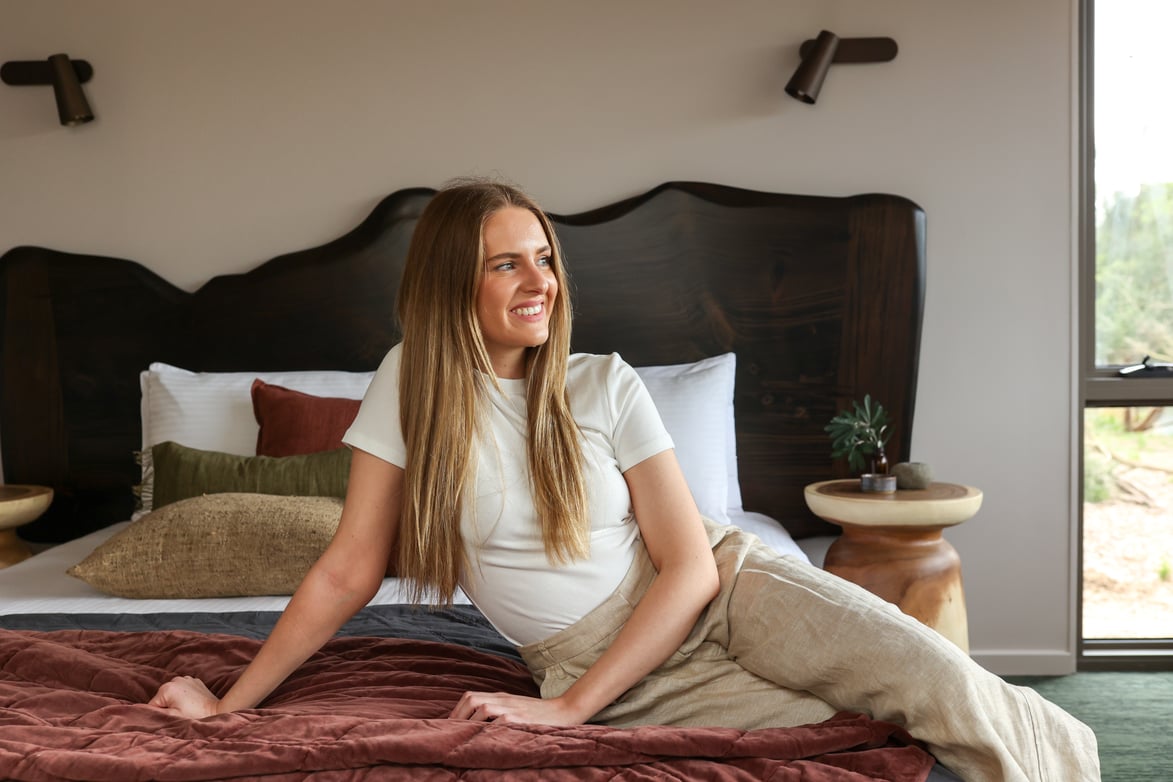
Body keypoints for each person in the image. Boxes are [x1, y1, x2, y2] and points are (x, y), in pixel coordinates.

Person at [150, 179, 1100, 781]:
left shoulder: (602, 382)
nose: (540, 280)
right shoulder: (411, 385)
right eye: (506, 264)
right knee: (862, 741)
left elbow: (689, 568)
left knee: (937, 680)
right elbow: (348, 570)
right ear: (452, 284)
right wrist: (232, 707)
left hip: (729, 590)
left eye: (545, 256)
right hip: (603, 659)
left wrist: (565, 715)